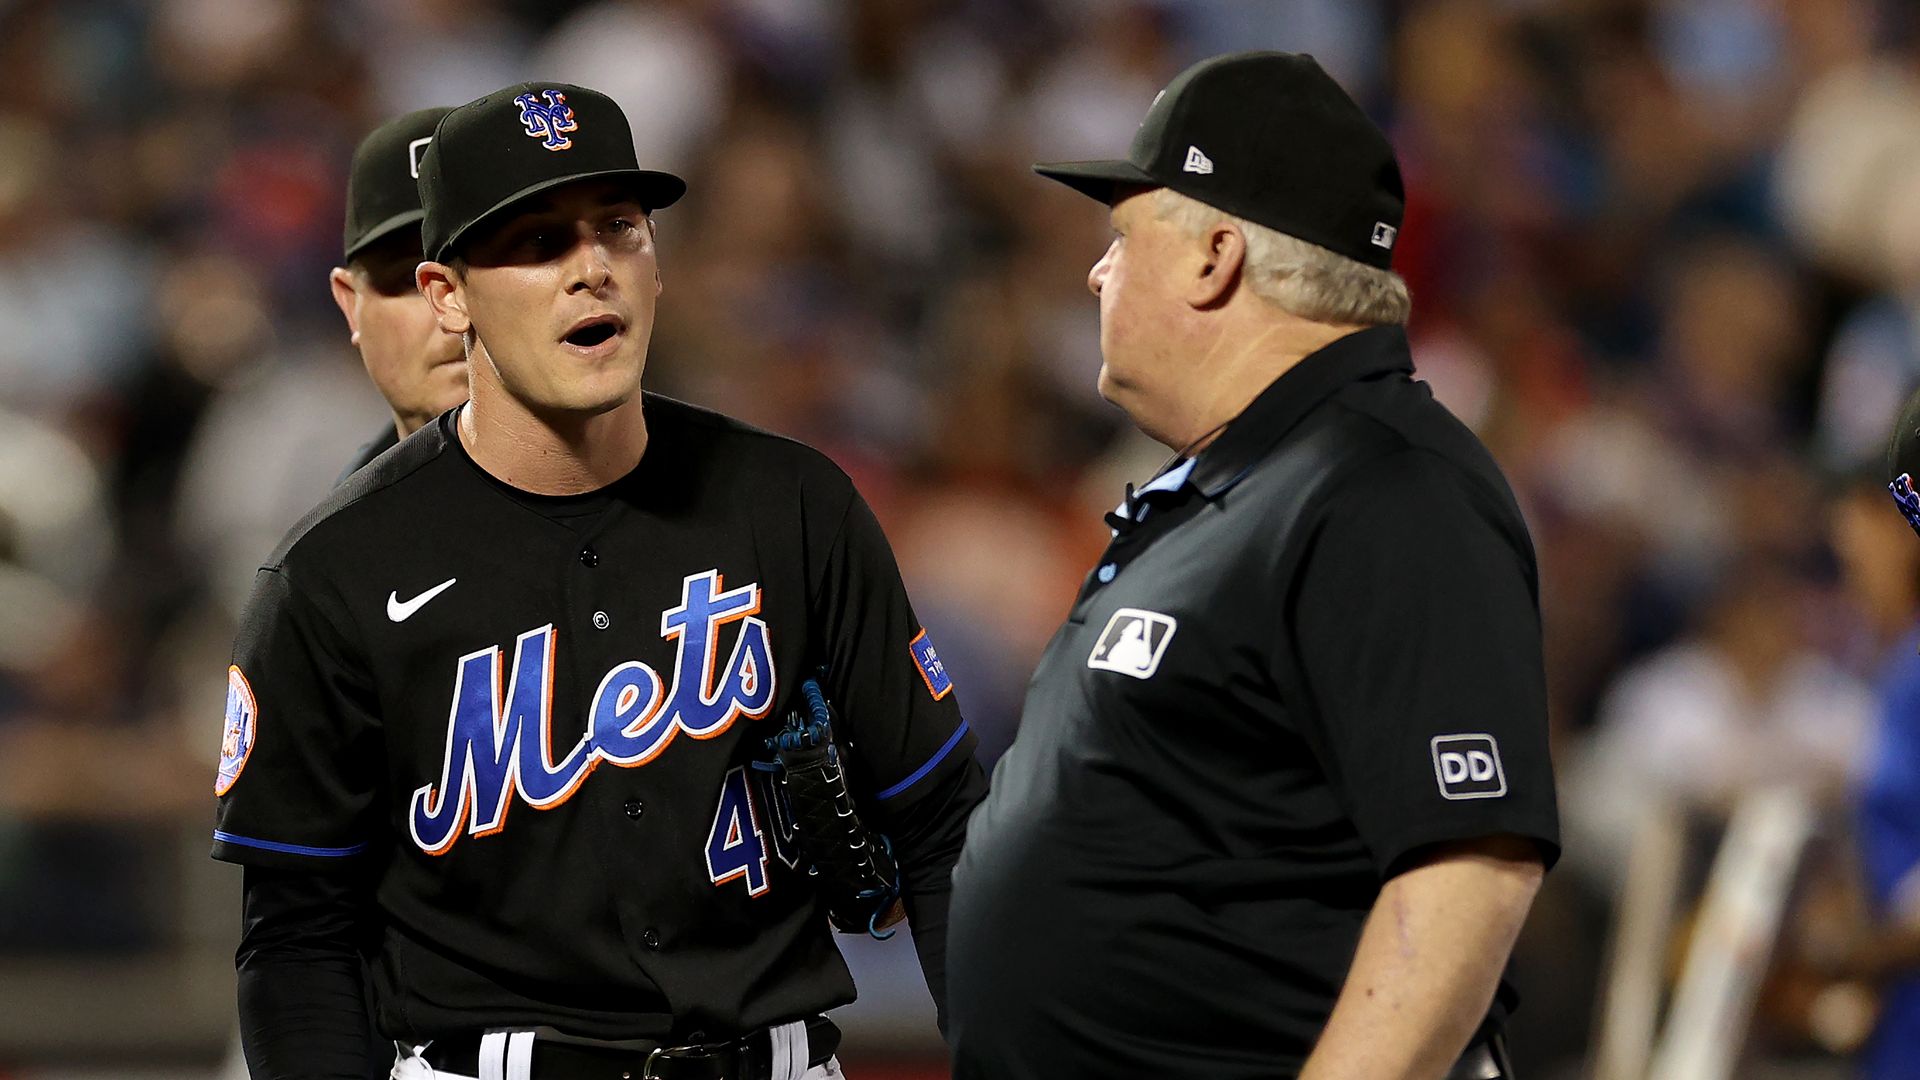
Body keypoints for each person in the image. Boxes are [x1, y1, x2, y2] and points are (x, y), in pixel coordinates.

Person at [212, 82, 985, 1080]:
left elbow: (940, 826)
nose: (592, 271)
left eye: (618, 227)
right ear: (450, 296)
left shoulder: (790, 505)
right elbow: (297, 939)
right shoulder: (333, 578)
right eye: (537, 242)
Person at [947, 51, 1559, 1079]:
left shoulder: (1386, 488)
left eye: (1123, 237)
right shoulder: (1247, 482)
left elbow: (1468, 870)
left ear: (1213, 256)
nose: (1097, 272)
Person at [328, 107, 470, 480]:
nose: (450, 308)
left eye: (476, 268)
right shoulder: (338, 531)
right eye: (411, 279)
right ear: (350, 304)